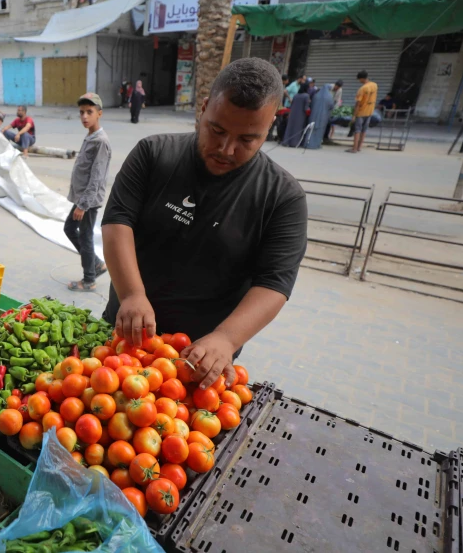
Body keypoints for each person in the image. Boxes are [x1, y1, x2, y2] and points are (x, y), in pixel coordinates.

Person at [101, 57, 308, 387]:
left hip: (201, 360)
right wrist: (131, 295)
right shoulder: (153, 154)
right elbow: (116, 222)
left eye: (247, 139)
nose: (226, 149)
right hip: (127, 336)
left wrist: (226, 338)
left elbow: (275, 282)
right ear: (204, 107)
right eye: (217, 130)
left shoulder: (283, 197)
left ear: (269, 127)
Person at [65, 93, 112, 292]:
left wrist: (83, 205)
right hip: (82, 199)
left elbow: (97, 177)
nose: (85, 116)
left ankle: (89, 279)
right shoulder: (91, 136)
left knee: (85, 237)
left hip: (88, 202)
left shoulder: (101, 141)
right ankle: (96, 264)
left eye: (89, 112)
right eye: (82, 112)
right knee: (69, 229)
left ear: (99, 114)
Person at [349, 70, 378, 153]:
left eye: (359, 79)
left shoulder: (362, 89)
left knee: (357, 130)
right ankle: (359, 147)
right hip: (370, 111)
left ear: (361, 78)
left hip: (361, 112)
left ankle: (354, 149)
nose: (359, 81)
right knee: (364, 130)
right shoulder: (374, 85)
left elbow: (358, 103)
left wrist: (354, 115)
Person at [305, 83, 335, 150]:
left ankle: (308, 144)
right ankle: (316, 145)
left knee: (311, 129)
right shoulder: (329, 97)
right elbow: (331, 106)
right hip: (323, 118)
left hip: (313, 116)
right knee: (319, 131)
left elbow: (311, 105)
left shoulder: (316, 95)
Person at [282, 83, 310, 148]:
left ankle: (286, 142)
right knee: (297, 129)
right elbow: (306, 108)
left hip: (292, 114)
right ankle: (294, 143)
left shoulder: (296, 95)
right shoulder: (306, 96)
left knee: (290, 128)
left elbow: (292, 104)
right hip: (300, 116)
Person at [325, 80, 343, 145]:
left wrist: (335, 110)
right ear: (335, 85)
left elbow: (337, 101)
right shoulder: (329, 87)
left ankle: (326, 137)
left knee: (329, 123)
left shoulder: (340, 90)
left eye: (338, 87)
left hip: (331, 107)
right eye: (336, 87)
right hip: (325, 106)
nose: (337, 88)